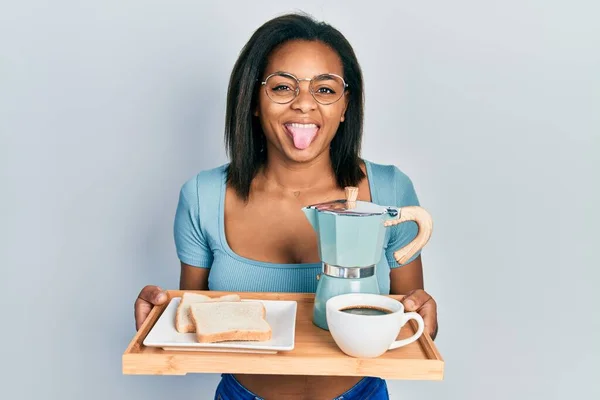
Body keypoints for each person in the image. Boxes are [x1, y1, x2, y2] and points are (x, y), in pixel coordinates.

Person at [134, 12, 439, 400]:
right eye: (282, 87)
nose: (304, 105)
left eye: (326, 90)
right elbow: (193, 324)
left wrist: (424, 311)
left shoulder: (390, 188)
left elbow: (411, 323)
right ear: (254, 102)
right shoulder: (203, 195)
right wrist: (159, 317)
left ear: (346, 107)